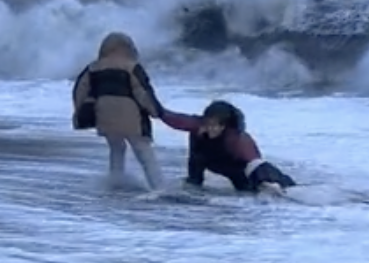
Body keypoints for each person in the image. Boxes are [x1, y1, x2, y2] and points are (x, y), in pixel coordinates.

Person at [71, 32, 166, 190]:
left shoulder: (93, 67)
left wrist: (79, 112)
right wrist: (156, 111)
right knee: (143, 151)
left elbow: (79, 90)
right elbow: (142, 93)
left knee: (116, 147)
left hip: (105, 118)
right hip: (131, 119)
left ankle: (116, 182)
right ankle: (159, 187)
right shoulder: (132, 67)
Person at [159, 99, 296, 194]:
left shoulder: (235, 138)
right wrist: (153, 108)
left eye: (215, 126)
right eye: (207, 124)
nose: (210, 129)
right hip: (210, 162)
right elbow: (171, 118)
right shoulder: (198, 126)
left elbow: (255, 162)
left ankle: (286, 186)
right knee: (196, 163)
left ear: (224, 126)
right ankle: (193, 186)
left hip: (238, 169)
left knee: (251, 190)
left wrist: (266, 182)